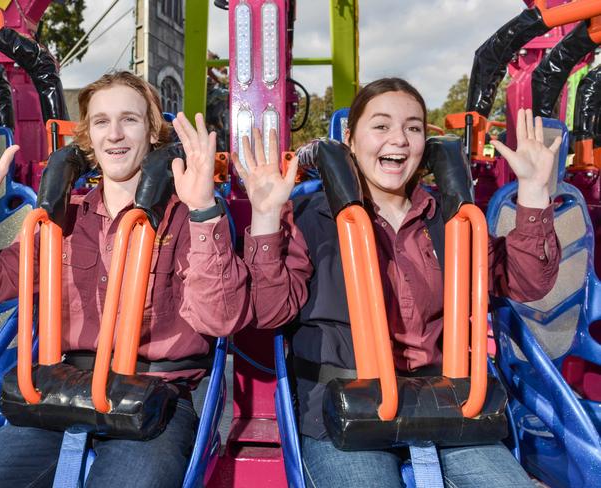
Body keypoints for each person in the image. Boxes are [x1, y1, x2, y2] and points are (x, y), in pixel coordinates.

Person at [231, 78, 561, 488]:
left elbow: (527, 281)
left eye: (413, 127)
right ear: (350, 139)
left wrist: (532, 191)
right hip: (343, 406)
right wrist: (265, 219)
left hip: (448, 399)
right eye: (382, 126)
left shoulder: (451, 219)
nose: (399, 140)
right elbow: (267, 313)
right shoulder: (309, 218)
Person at [0, 71, 243, 488]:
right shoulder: (61, 220)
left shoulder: (186, 215)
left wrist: (203, 212)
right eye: (102, 122)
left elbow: (220, 320)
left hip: (156, 397)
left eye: (130, 119)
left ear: (153, 132)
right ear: (88, 138)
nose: (115, 134)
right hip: (64, 390)